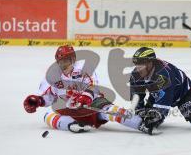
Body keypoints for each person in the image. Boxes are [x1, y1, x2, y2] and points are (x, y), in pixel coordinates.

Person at [23, 45, 160, 135]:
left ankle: (141, 124)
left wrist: (86, 97)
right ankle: (72, 125)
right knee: (47, 115)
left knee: (111, 111)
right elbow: (50, 97)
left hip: (93, 104)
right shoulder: (52, 75)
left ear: (74, 59)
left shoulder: (83, 68)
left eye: (68, 61)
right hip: (71, 109)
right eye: (62, 62)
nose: (65, 65)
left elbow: (93, 87)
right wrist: (38, 101)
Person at [130, 47, 191, 130]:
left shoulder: (164, 76)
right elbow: (137, 95)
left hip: (183, 93)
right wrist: (139, 112)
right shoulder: (136, 74)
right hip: (158, 93)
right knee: (146, 118)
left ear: (151, 63)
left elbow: (164, 103)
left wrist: (154, 119)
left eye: (141, 63)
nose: (138, 67)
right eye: (136, 63)